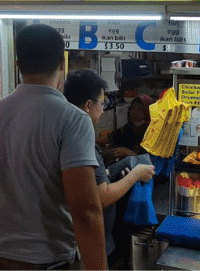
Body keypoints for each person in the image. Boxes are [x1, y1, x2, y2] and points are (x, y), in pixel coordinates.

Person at [0, 24, 106, 270]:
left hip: (0, 256)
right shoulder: (73, 119)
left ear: (17, 64)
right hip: (48, 260)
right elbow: (85, 210)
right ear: (61, 65)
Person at [64, 71, 156, 266]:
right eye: (102, 103)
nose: (103, 110)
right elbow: (101, 198)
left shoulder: (62, 128)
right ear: (89, 105)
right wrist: (137, 173)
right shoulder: (82, 140)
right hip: (87, 243)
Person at [102, 95, 153, 163]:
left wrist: (130, 153)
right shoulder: (128, 127)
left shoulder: (152, 132)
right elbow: (110, 137)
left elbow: (150, 160)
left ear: (147, 111)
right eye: (133, 108)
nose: (135, 112)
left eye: (139, 109)